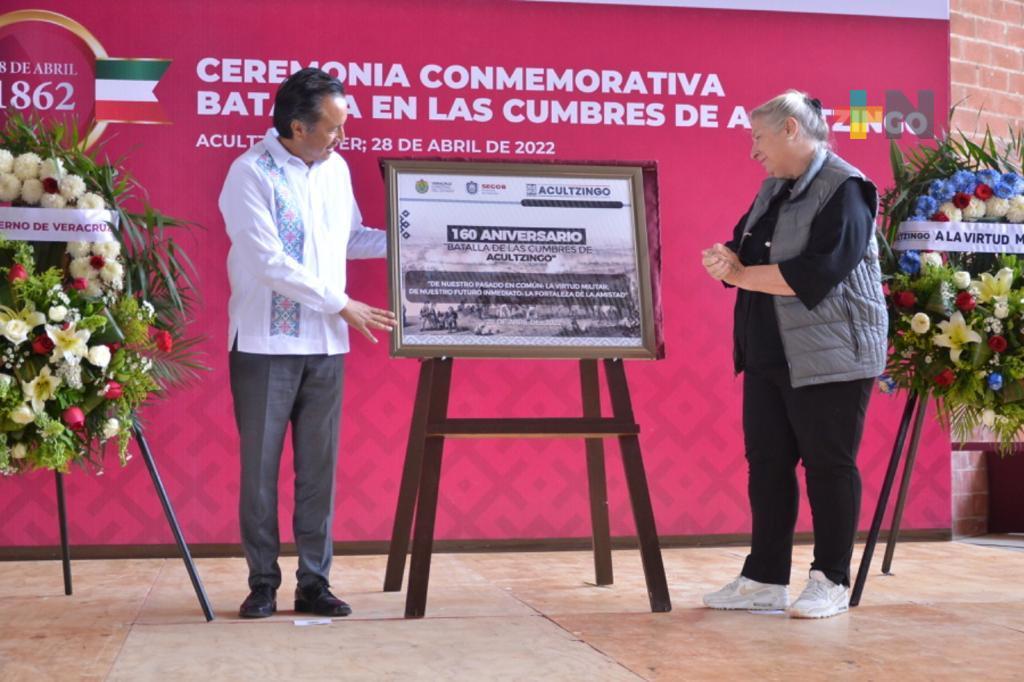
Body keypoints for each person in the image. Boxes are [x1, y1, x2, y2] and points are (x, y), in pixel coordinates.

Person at [700, 90, 887, 619]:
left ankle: (831, 579)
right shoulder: (772, 189)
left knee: (828, 465)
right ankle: (764, 578)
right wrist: (725, 258)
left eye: (759, 138)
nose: (754, 151)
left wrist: (739, 274)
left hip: (832, 353)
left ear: (790, 130)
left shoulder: (846, 189)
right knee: (768, 465)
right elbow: (746, 251)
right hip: (768, 350)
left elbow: (817, 275)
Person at [219, 67, 396, 619]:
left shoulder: (335, 169)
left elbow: (351, 238)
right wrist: (340, 302)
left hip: (326, 344)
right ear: (298, 126)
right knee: (261, 471)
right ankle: (263, 582)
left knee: (318, 471)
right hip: (264, 344)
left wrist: (414, 239)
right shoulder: (250, 173)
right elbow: (268, 262)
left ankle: (314, 583)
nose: (342, 138)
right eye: (333, 128)